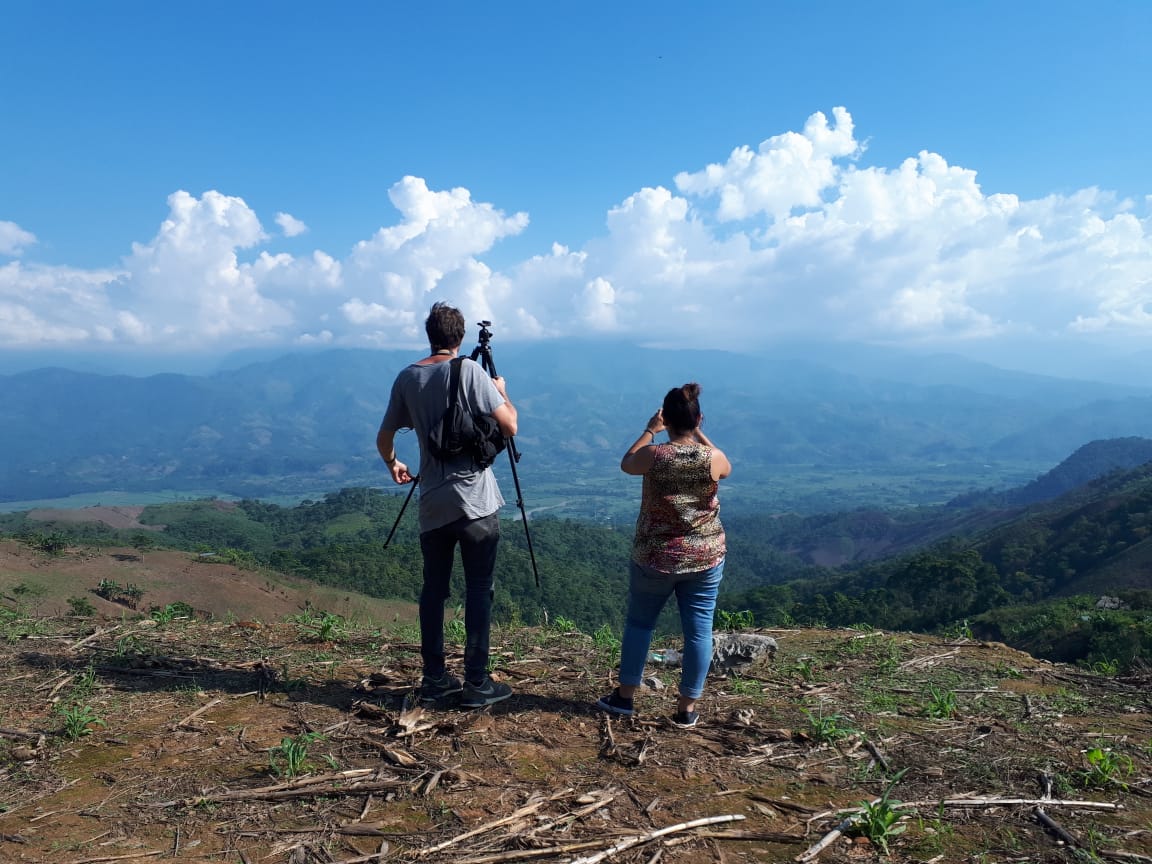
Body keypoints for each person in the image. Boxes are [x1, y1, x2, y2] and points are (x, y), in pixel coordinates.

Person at [376, 302, 518, 708]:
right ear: (459, 339)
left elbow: (384, 437)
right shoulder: (471, 371)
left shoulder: (408, 378)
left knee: (433, 591)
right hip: (476, 502)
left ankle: (434, 678)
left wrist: (393, 463)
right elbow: (510, 425)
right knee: (478, 590)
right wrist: (503, 393)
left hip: (433, 504)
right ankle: (476, 683)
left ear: (430, 335)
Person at [597, 382, 731, 728]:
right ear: (698, 417)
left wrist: (649, 431)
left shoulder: (654, 456)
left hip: (654, 557)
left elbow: (627, 463)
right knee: (699, 633)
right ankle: (686, 709)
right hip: (705, 556)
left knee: (640, 624)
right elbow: (725, 466)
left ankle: (625, 698)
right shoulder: (711, 458)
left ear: (665, 419)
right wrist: (699, 431)